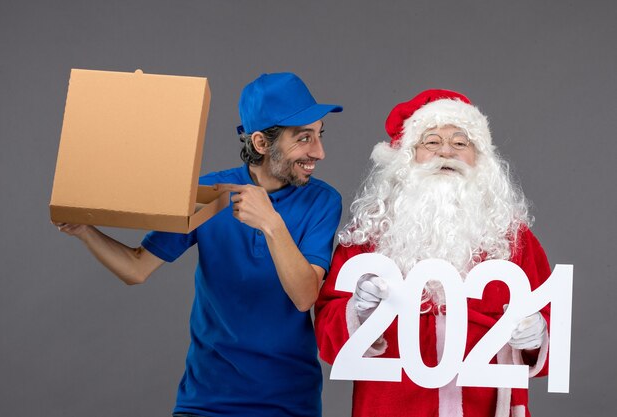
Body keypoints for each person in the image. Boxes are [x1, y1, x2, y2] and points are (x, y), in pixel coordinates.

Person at [55, 72, 343, 417]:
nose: (320, 152)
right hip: (207, 400)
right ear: (262, 143)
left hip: (290, 402)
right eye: (304, 138)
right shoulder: (208, 195)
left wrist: (270, 222)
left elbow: (305, 296)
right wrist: (85, 229)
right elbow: (136, 267)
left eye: (319, 135)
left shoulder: (323, 202)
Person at [314, 89, 550, 417]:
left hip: (483, 408)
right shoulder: (367, 237)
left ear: (479, 157)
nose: (446, 153)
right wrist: (359, 312)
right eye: (431, 142)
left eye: (460, 142)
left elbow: (549, 316)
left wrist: (537, 335)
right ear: (408, 156)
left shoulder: (513, 239)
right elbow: (325, 324)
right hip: (392, 407)